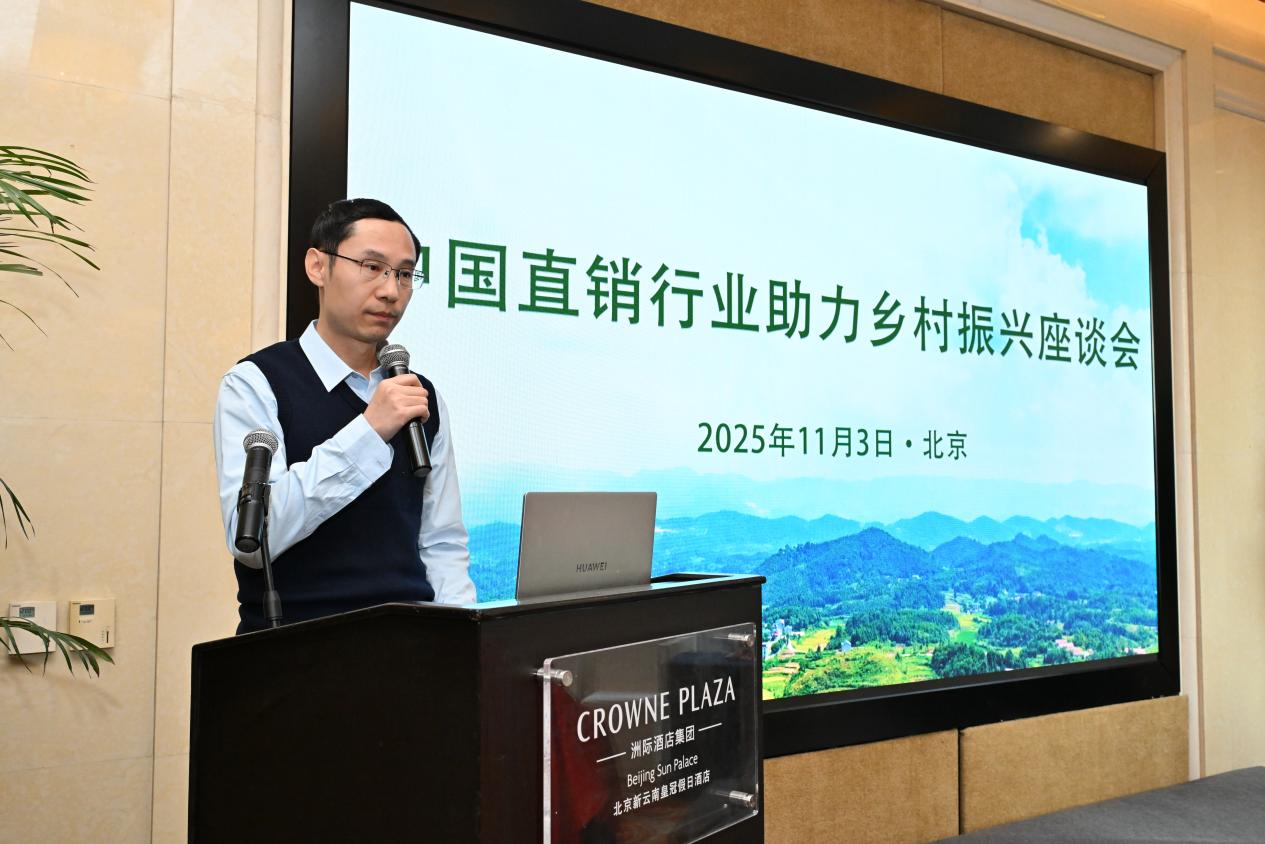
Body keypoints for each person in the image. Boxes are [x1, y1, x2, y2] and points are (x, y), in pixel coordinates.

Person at [213, 198, 475, 633]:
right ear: (318, 266)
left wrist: (463, 639)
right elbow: (252, 541)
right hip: (294, 648)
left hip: (411, 647)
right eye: (372, 267)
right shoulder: (256, 384)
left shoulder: (420, 396)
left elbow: (441, 543)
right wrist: (370, 431)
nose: (391, 291)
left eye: (405, 274)